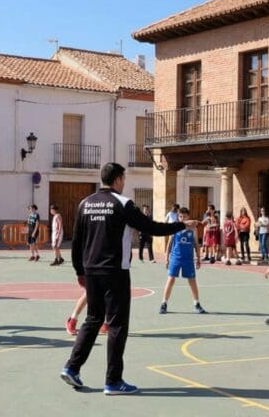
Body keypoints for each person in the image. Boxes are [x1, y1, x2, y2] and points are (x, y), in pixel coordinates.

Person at [59, 162, 198, 395]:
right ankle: (113, 381)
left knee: (93, 319)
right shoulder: (122, 204)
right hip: (115, 271)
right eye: (123, 179)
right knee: (116, 325)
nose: (124, 183)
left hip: (91, 269)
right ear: (118, 180)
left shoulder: (85, 203)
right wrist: (181, 225)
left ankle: (72, 368)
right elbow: (150, 227)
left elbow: (76, 241)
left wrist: (79, 271)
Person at [160, 207, 205, 314]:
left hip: (188, 259)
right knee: (170, 280)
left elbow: (196, 245)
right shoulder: (175, 227)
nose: (182, 218)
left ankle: (197, 303)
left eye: (184, 216)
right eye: (180, 216)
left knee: (192, 281)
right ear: (178, 217)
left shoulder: (193, 229)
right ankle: (164, 303)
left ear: (188, 216)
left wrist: (198, 258)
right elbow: (169, 244)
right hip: (176, 258)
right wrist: (166, 259)